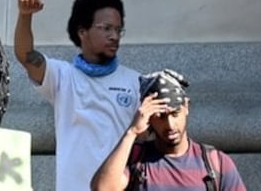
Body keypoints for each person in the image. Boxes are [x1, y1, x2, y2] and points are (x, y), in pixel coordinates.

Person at [15, 0, 140, 191]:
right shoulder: (62, 76)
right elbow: (26, 55)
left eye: (118, 30)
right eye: (106, 28)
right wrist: (25, 15)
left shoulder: (136, 82)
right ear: (82, 32)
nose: (114, 36)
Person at [91, 69, 247, 191]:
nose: (170, 125)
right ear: (149, 118)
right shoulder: (136, 160)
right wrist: (132, 132)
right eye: (161, 117)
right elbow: (103, 188)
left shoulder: (216, 163)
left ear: (186, 107)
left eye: (175, 113)